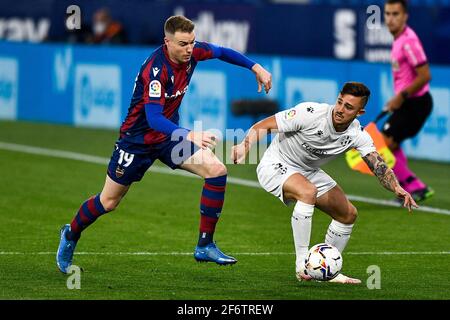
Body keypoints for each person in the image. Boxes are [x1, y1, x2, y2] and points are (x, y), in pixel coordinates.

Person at [57, 15, 272, 273]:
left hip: (169, 139)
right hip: (136, 143)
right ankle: (71, 234)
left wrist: (255, 67)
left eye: (192, 42)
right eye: (183, 44)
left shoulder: (193, 53)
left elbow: (222, 52)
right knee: (108, 202)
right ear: (166, 42)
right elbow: (154, 118)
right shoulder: (155, 72)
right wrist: (187, 134)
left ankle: (205, 245)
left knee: (216, 171)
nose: (189, 49)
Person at [231, 82, 417, 284]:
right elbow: (264, 125)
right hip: (275, 164)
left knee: (348, 214)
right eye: (339, 102)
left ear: (360, 112)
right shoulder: (310, 113)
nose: (340, 110)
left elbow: (377, 165)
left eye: (348, 107)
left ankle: (325, 270)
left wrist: (396, 187)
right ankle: (303, 265)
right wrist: (244, 146)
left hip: (308, 171)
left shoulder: (357, 135)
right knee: (307, 192)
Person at [383, 0, 434, 202]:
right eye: (387, 14)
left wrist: (401, 96)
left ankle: (415, 186)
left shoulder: (408, 40)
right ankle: (412, 187)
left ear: (405, 16)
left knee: (386, 143)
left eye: (396, 14)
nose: (391, 19)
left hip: (416, 103)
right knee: (390, 143)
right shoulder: (398, 40)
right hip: (407, 103)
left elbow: (425, 75)